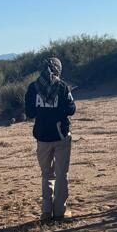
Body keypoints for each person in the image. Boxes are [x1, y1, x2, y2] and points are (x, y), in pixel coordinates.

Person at [24, 58, 76, 223]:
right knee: (61, 174)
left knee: (47, 174)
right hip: (61, 136)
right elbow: (71, 109)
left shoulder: (33, 87)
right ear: (58, 70)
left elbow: (30, 113)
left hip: (42, 136)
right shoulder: (62, 87)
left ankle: (46, 211)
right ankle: (60, 211)